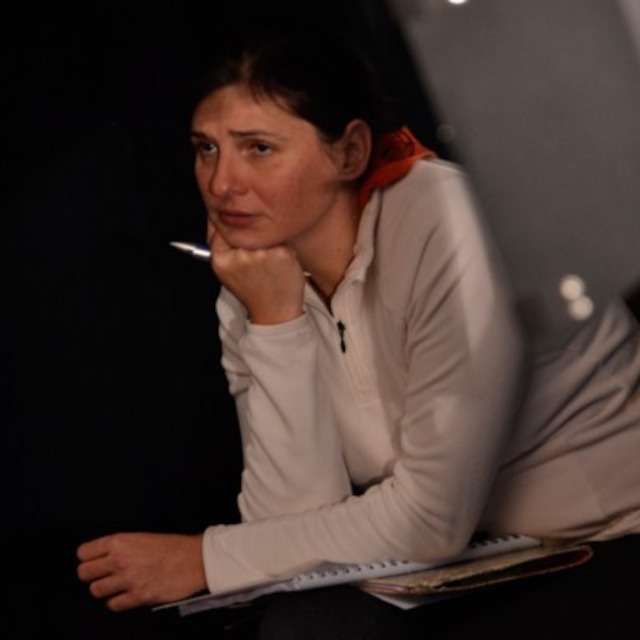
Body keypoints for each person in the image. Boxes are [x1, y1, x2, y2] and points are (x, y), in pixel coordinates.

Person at [76, 17, 640, 638]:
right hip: (468, 567)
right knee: (297, 626)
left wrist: (206, 559)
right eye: (206, 148)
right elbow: (288, 525)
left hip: (612, 539)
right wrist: (276, 323)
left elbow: (430, 520)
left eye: (258, 148)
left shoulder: (448, 226)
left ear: (349, 151)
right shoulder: (254, 278)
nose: (221, 183)